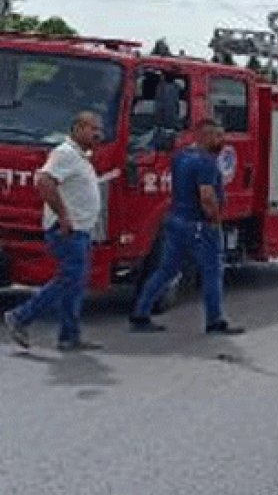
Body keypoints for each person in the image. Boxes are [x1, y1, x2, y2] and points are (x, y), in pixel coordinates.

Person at [129, 120, 245, 336]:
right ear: (204, 136)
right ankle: (215, 321)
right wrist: (215, 218)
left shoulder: (181, 157)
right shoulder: (206, 162)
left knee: (167, 270)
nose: (222, 141)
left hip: (176, 220)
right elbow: (206, 195)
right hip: (199, 225)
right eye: (217, 136)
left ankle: (140, 312)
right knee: (212, 271)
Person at [2, 112, 105, 352]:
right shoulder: (65, 153)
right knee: (69, 279)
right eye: (93, 129)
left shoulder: (80, 157)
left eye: (99, 130)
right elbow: (45, 181)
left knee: (75, 283)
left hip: (81, 231)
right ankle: (20, 316)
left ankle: (69, 336)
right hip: (68, 231)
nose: (98, 134)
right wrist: (63, 215)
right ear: (78, 128)